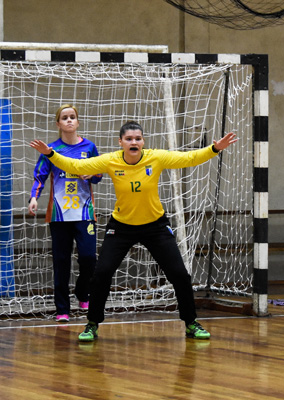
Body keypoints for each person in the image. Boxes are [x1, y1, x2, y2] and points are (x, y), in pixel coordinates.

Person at [30, 121, 238, 342]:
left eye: (138, 138)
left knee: (179, 274)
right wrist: (51, 154)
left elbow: (188, 159)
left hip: (154, 226)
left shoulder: (156, 157)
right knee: (101, 274)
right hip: (121, 227)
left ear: (143, 142)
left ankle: (191, 322)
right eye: (129, 139)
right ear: (121, 142)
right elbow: (78, 167)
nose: (134, 142)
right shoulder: (110, 160)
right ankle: (92, 324)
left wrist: (214, 148)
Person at [29, 104, 102, 323]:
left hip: (84, 213)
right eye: (64, 118)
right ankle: (62, 309)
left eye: (72, 117)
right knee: (61, 261)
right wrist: (34, 197)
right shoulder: (51, 149)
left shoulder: (89, 147)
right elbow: (40, 175)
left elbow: (98, 175)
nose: (69, 120)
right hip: (59, 215)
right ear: (58, 123)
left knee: (89, 258)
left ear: (77, 122)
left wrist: (92, 175)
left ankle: (83, 292)